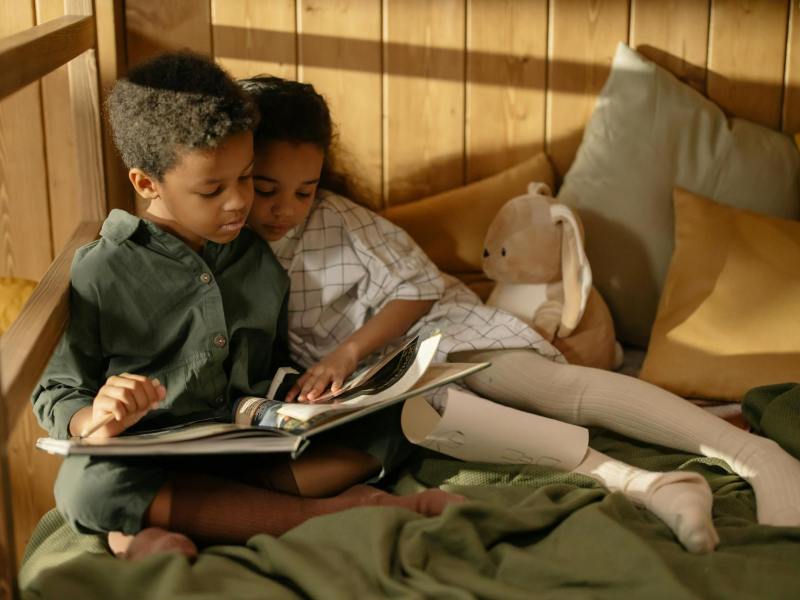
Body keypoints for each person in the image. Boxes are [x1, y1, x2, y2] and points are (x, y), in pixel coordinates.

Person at [242, 75, 800, 554]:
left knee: (546, 389)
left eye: (304, 191)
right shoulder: (230, 242)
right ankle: (653, 488)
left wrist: (348, 351)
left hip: (435, 331)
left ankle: (754, 454)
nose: (285, 209)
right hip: (382, 387)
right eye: (266, 190)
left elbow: (419, 287)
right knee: (473, 427)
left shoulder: (338, 219)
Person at [31, 53, 463, 562]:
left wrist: (314, 398)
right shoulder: (100, 270)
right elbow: (56, 391)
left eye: (246, 178)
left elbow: (273, 362)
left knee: (398, 418)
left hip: (249, 448)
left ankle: (154, 530)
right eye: (213, 189)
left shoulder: (258, 258)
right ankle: (324, 514)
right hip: (151, 454)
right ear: (147, 184)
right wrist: (94, 417)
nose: (239, 202)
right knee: (84, 486)